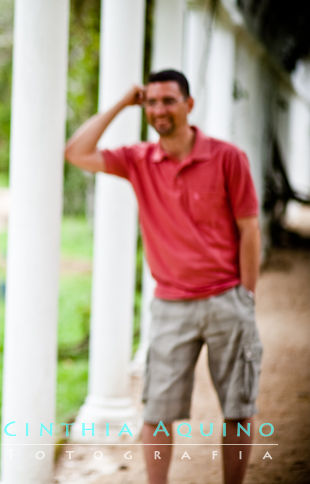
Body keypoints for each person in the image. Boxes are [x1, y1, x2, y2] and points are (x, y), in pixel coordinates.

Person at [64, 69, 261, 484]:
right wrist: (122, 102)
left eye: (168, 101)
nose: (159, 110)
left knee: (239, 409)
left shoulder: (228, 158)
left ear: (189, 105)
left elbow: (249, 229)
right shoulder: (138, 161)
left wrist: (246, 295)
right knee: (157, 413)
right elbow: (77, 152)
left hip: (228, 299)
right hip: (171, 305)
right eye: (151, 102)